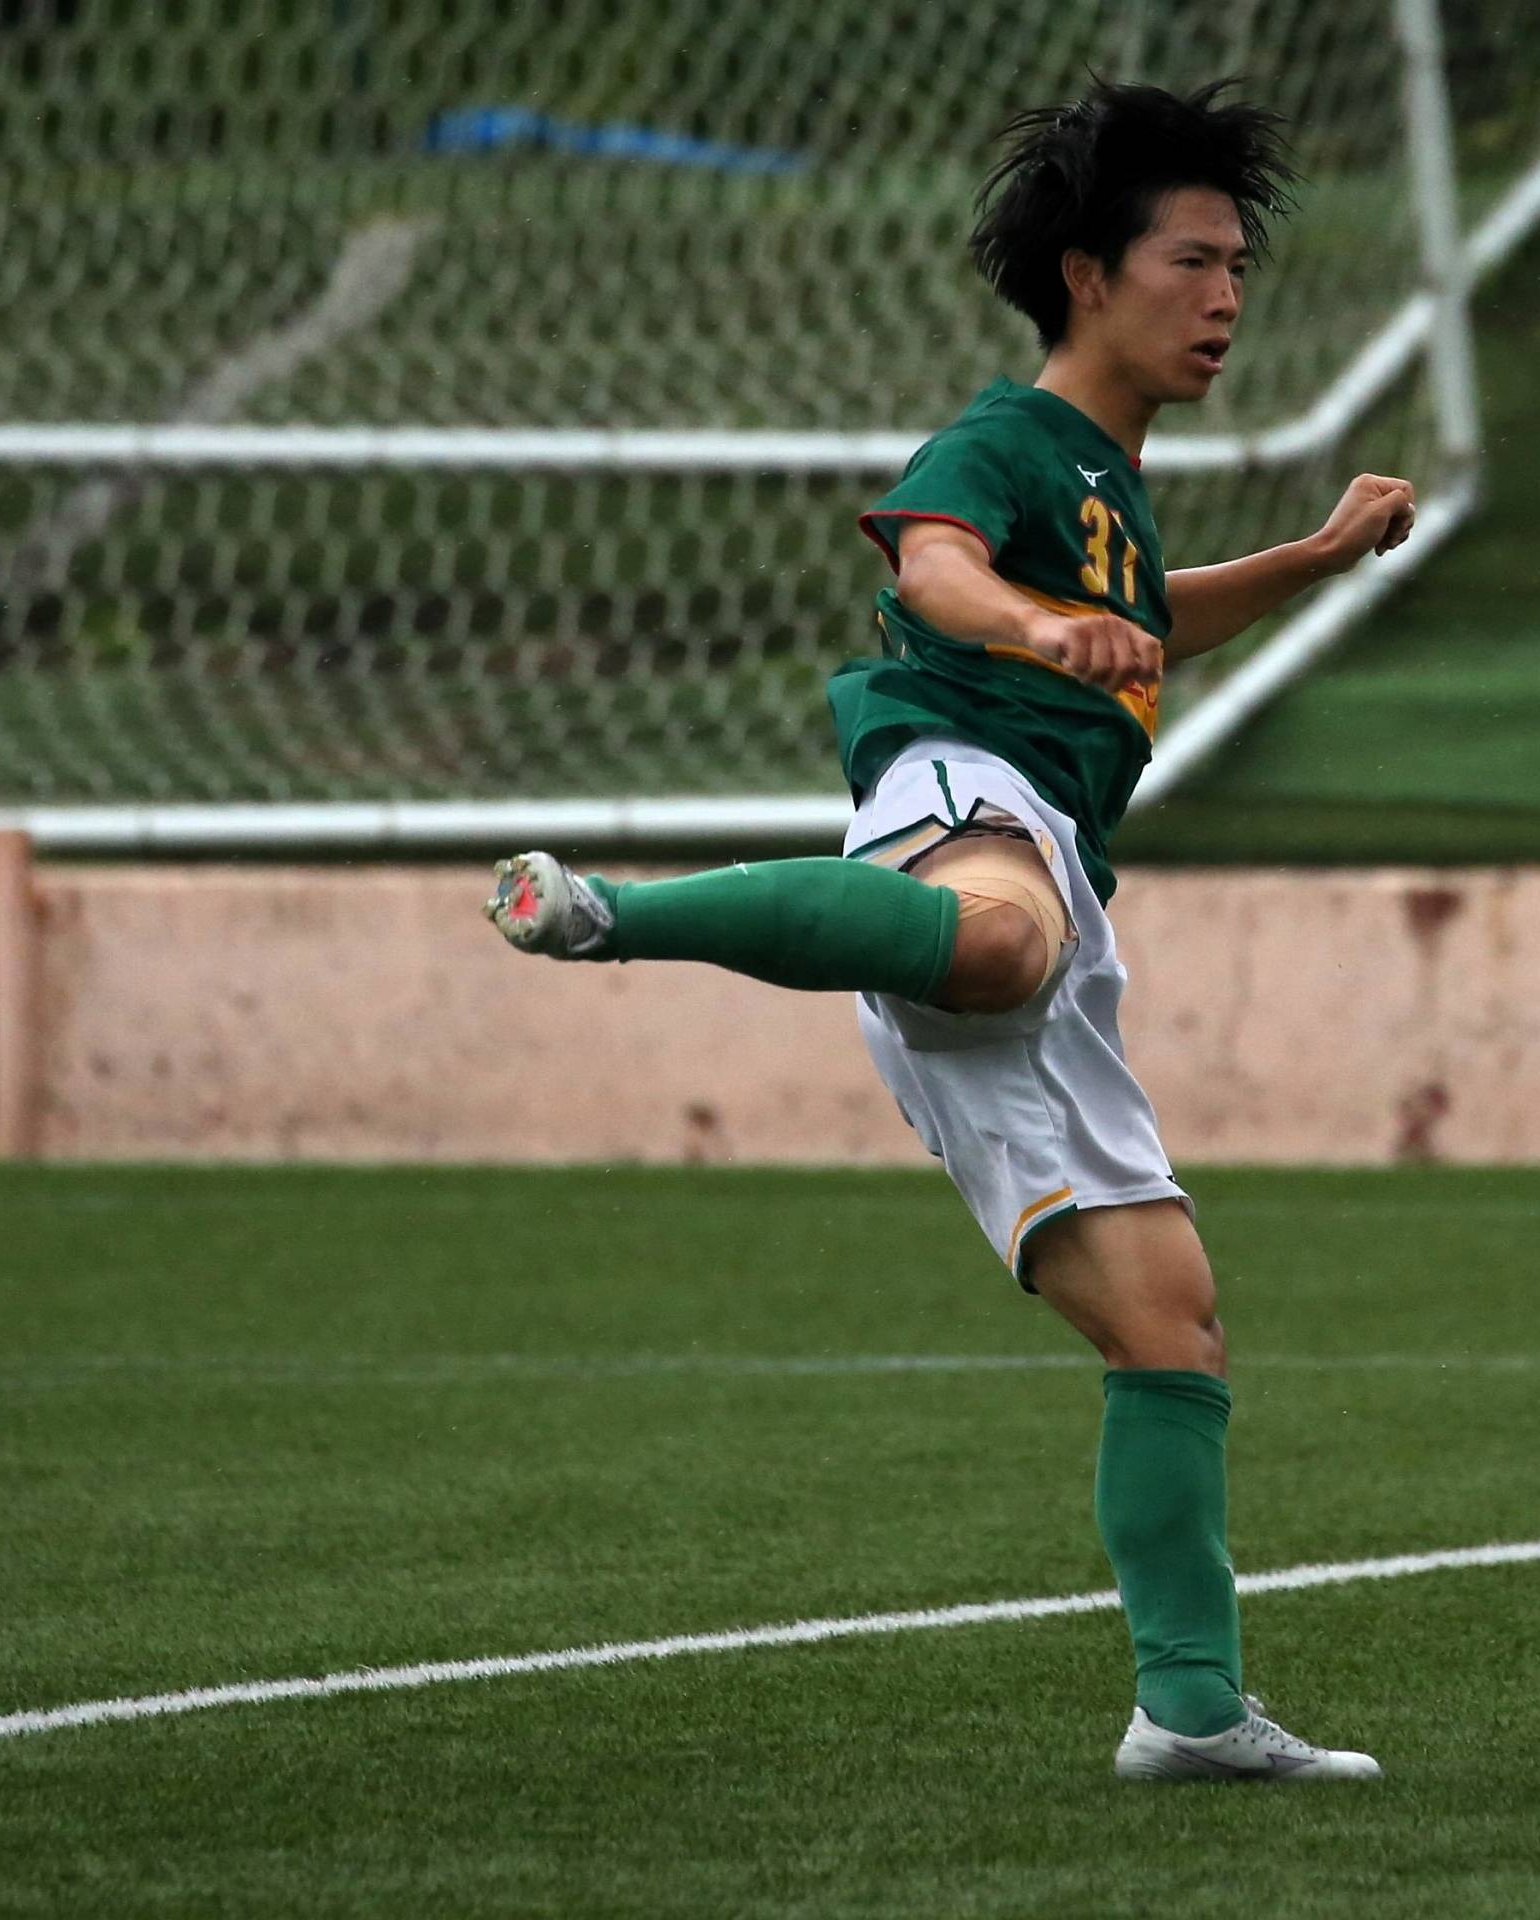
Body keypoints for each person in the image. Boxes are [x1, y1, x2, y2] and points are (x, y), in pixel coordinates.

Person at [484, 78, 1416, 1782]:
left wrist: (1317, 553)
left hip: (1056, 854)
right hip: (958, 794)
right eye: (1193, 263)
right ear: (1085, 274)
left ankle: (1191, 1713)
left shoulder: (1110, 486)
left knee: (1174, 1324)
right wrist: (1025, 627)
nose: (1226, 299)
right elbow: (932, 568)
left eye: (1237, 269)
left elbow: (1141, 623)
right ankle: (613, 912)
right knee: (996, 943)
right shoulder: (1008, 440)